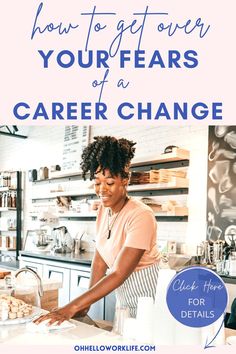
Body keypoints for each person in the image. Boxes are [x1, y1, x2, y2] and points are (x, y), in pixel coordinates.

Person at [35, 136, 160, 326]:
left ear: (125, 180)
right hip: (124, 298)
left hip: (150, 300)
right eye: (97, 182)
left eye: (109, 183)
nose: (102, 189)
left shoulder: (141, 215)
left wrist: (72, 307)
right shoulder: (104, 210)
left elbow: (118, 272)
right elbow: (100, 259)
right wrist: (85, 305)